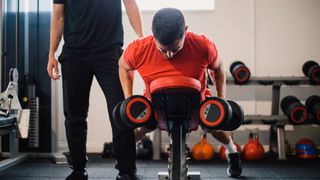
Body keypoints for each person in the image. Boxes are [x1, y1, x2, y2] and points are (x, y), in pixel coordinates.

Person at [119, 8, 242, 178]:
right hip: (155, 102)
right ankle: (125, 161)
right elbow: (123, 66)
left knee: (214, 126)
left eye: (175, 49)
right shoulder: (139, 48)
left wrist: (221, 99)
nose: (169, 54)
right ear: (153, 35)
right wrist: (129, 98)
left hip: (196, 100)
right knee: (137, 130)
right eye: (163, 50)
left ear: (185, 31)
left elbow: (218, 67)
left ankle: (232, 152)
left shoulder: (202, 44)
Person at [47, 0, 144, 179]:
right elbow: (58, 17)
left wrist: (141, 39)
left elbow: (130, 4)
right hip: (74, 54)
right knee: (74, 116)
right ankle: (78, 170)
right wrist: (51, 53)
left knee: (122, 114)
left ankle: (127, 171)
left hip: (110, 53)